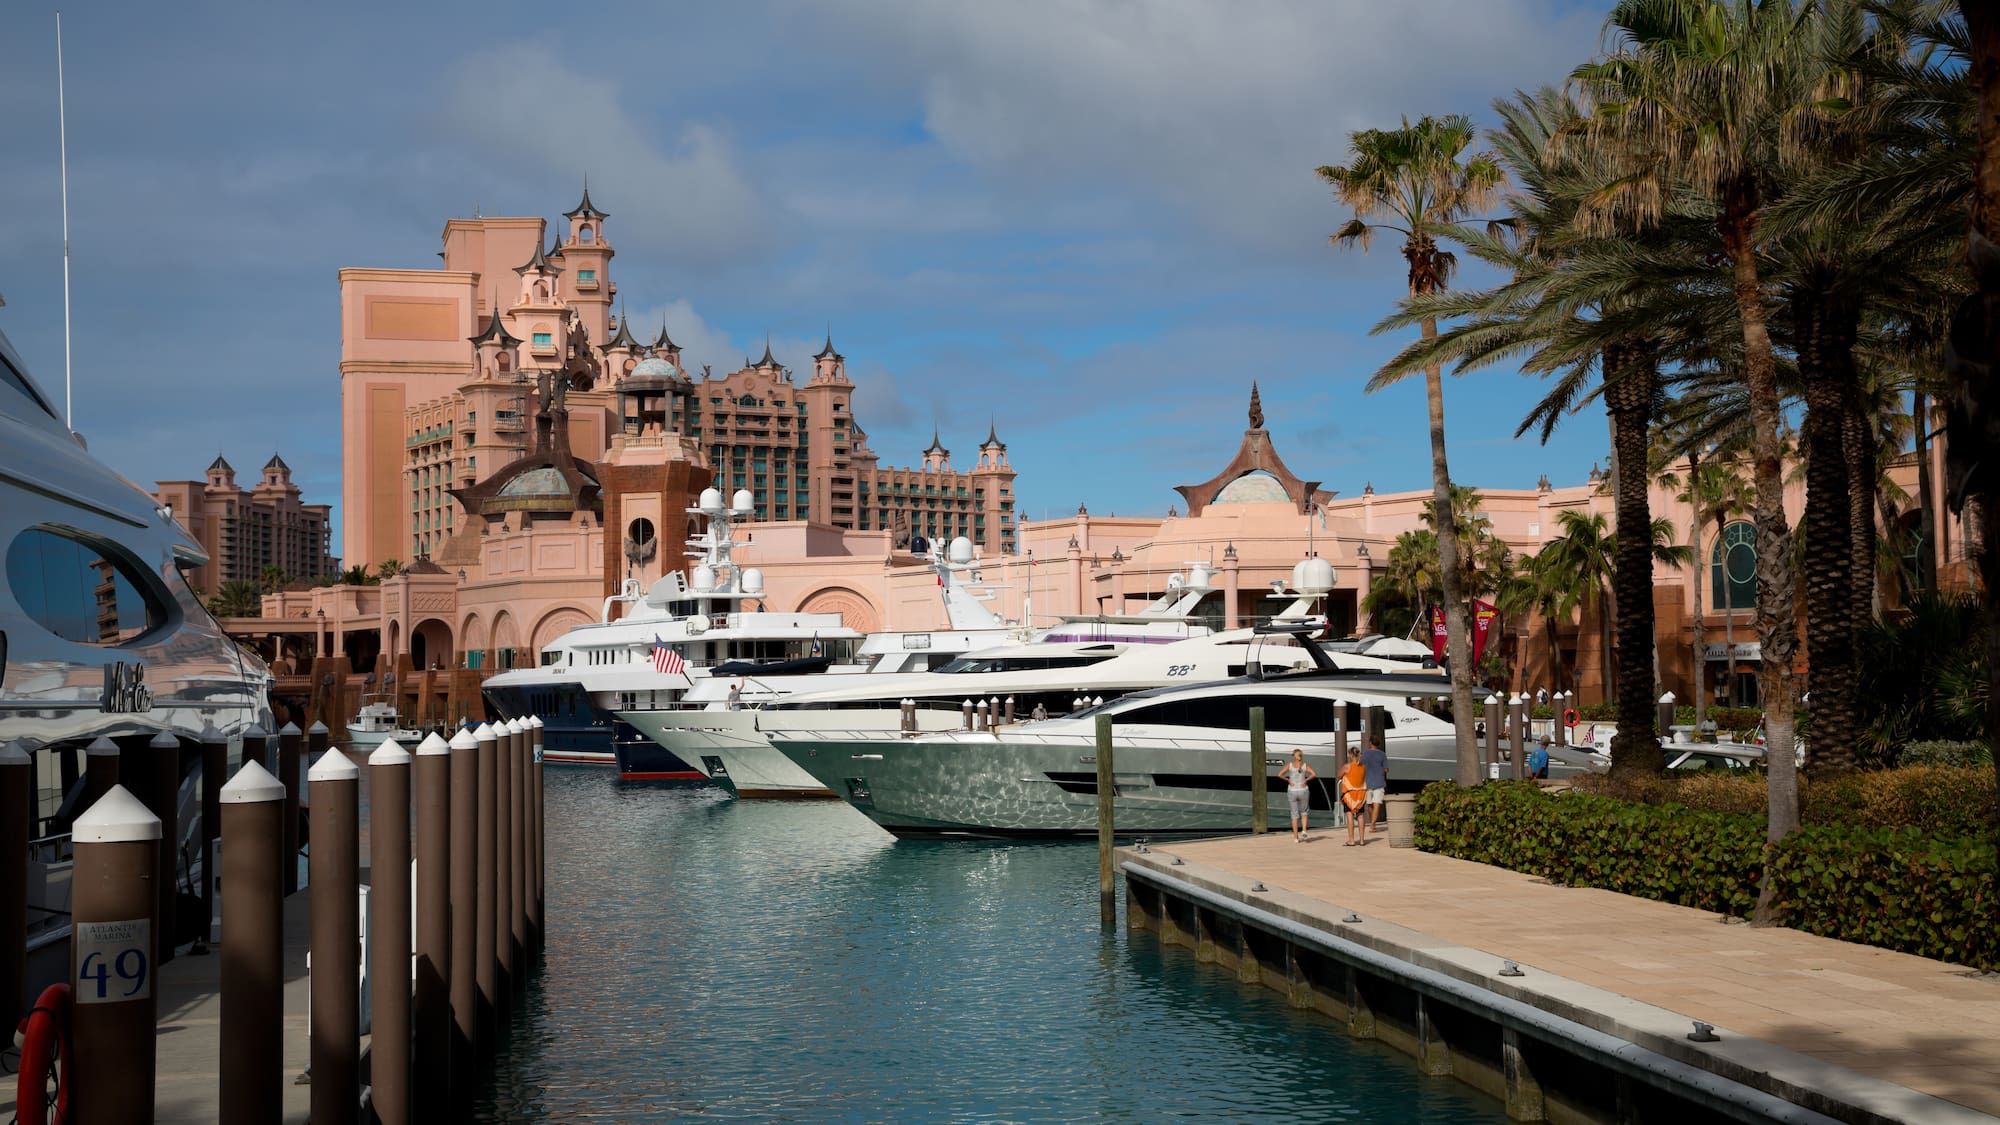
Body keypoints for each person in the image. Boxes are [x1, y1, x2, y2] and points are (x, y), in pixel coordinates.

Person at [1278, 749, 1317, 842]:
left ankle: (1296, 838)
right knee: (1304, 811)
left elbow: (1279, 774)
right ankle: (1304, 830)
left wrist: (1288, 780)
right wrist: (1306, 780)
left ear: (1293, 756)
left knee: (1294, 814)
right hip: (1303, 790)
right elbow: (1313, 774)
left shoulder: (1290, 765)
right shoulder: (1305, 765)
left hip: (1292, 791)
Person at [1338, 748, 1368, 846]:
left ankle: (1351, 840)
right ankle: (1362, 840)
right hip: (1361, 794)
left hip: (1349, 794)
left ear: (1351, 755)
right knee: (1360, 816)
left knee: (1349, 815)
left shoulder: (1347, 766)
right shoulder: (1363, 767)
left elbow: (1339, 775)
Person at [1360, 735, 1389, 835]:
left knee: (1369, 804)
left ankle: (1373, 824)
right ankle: (1373, 825)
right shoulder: (1382, 754)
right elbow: (1386, 770)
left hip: (1367, 782)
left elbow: (1360, 765)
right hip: (1379, 782)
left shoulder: (1365, 753)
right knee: (1377, 804)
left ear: (1370, 743)